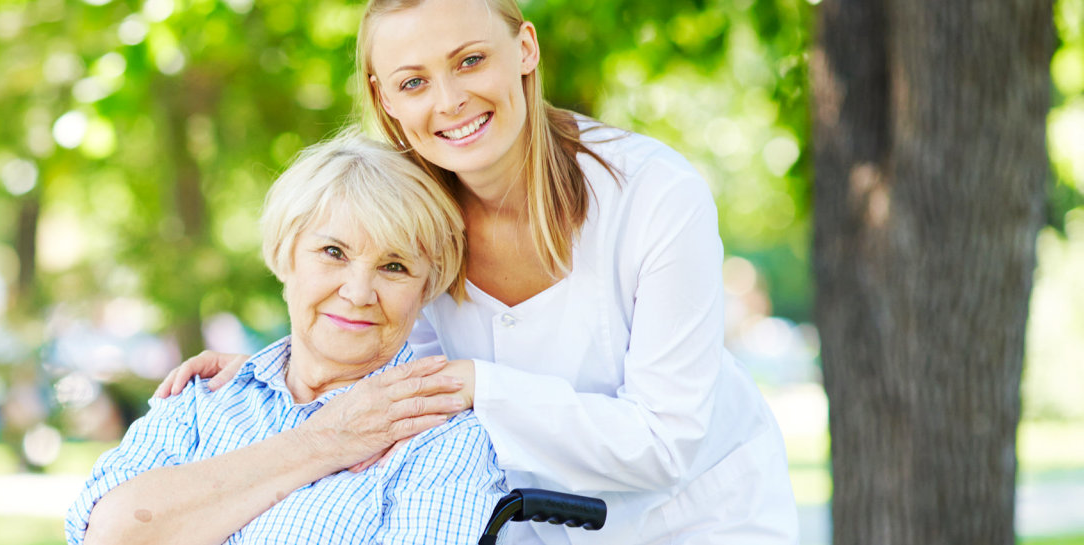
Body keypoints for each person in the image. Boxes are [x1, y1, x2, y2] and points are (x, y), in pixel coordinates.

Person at [154, 0, 798, 541]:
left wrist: (474, 385)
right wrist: (284, 366)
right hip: (523, 523)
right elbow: (379, 347)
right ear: (384, 97)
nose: (451, 100)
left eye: (470, 61)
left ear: (524, 48)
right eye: (413, 82)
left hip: (699, 518)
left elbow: (663, 442)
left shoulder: (653, 195)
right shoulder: (406, 220)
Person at [67, 136, 504, 545]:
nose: (357, 292)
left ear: (426, 288)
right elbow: (109, 534)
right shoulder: (202, 400)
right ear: (285, 253)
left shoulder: (441, 438)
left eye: (394, 267)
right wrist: (324, 441)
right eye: (334, 252)